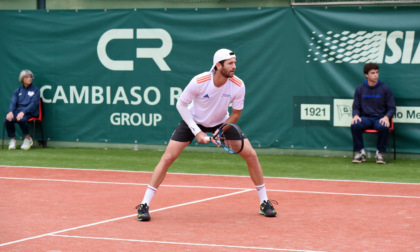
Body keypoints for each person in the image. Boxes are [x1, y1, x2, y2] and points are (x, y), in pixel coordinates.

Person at [136, 49, 277, 221]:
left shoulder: (238, 85)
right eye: (230, 63)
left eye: (235, 62)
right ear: (218, 65)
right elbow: (181, 105)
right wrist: (197, 131)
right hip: (194, 121)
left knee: (252, 156)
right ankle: (144, 204)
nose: (234, 66)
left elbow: (236, 114)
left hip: (221, 121)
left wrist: (221, 130)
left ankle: (264, 202)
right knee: (167, 158)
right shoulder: (200, 81)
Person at [351, 63, 395, 164]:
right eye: (372, 73)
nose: (376, 75)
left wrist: (386, 117)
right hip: (365, 118)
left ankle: (379, 153)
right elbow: (355, 107)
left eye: (377, 72)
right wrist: (356, 115)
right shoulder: (360, 89)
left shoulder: (385, 88)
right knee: (355, 124)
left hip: (380, 118)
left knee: (384, 126)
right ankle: (361, 153)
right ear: (366, 75)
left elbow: (392, 108)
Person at [5, 70, 40, 150]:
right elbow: (13, 102)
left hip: (30, 112)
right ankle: (12, 140)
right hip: (18, 111)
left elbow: (33, 104)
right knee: (8, 119)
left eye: (30, 77)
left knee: (21, 119)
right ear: (22, 79)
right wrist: (10, 112)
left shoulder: (36, 90)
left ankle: (28, 138)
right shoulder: (17, 91)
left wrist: (23, 112)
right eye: (27, 77)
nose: (29, 78)